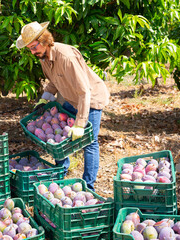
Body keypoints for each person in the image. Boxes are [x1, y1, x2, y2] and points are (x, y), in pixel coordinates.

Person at [16, 21, 110, 191]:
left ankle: (89, 185)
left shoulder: (66, 57)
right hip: (70, 97)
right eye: (29, 48)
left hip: (90, 98)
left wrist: (81, 124)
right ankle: (62, 170)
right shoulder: (43, 56)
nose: (32, 51)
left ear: (44, 40)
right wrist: (44, 99)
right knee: (57, 138)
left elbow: (84, 92)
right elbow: (54, 81)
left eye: (34, 47)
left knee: (90, 142)